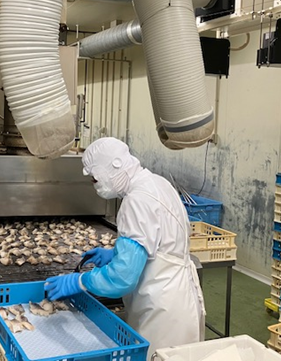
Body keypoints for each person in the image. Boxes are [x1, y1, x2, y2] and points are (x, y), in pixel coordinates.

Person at [45, 137, 205, 357]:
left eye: (95, 179)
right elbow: (160, 242)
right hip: (180, 295)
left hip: (161, 308)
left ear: (111, 168)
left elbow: (121, 278)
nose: (94, 185)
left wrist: (79, 281)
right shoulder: (157, 183)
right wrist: (115, 254)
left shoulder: (136, 202)